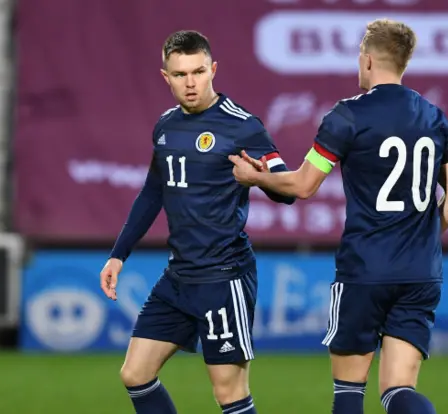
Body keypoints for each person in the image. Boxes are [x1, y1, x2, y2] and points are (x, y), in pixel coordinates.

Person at [230, 18, 448, 414]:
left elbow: (304, 186)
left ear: (368, 60)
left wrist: (255, 178)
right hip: (421, 271)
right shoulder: (433, 116)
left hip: (365, 269)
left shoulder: (347, 116)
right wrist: (424, 236)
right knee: (397, 392)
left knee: (348, 391)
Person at [99, 30, 295, 414]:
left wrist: (259, 178)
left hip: (224, 277)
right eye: (180, 74)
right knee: (135, 373)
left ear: (213, 70)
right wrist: (118, 255)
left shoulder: (243, 126)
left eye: (198, 71)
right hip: (180, 277)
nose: (190, 83)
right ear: (165, 76)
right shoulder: (166, 127)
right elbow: (152, 193)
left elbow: (286, 189)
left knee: (229, 393)